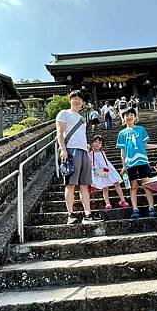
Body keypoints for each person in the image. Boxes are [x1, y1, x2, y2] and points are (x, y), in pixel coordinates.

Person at [56, 90, 104, 225]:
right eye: (74, 98)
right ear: (70, 100)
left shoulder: (83, 119)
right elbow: (59, 133)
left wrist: (88, 147)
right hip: (71, 151)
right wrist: (63, 150)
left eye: (80, 99)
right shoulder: (64, 113)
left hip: (84, 152)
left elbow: (81, 136)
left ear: (83, 103)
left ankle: (87, 214)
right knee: (71, 184)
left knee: (84, 185)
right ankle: (70, 214)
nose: (77, 101)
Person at [116, 108, 157, 219]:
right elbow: (122, 151)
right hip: (130, 163)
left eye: (131, 115)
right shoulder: (122, 133)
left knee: (146, 184)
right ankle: (135, 209)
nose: (129, 117)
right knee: (133, 186)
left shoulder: (141, 129)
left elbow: (145, 145)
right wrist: (124, 165)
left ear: (135, 117)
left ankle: (151, 208)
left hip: (143, 161)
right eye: (127, 115)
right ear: (123, 118)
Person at [90, 135, 130, 210]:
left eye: (99, 143)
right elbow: (90, 164)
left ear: (102, 145)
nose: (97, 144)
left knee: (116, 183)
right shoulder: (90, 153)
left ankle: (123, 200)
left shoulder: (103, 152)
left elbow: (105, 161)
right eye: (95, 142)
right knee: (105, 187)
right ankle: (107, 203)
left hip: (107, 169)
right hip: (98, 170)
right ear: (92, 143)